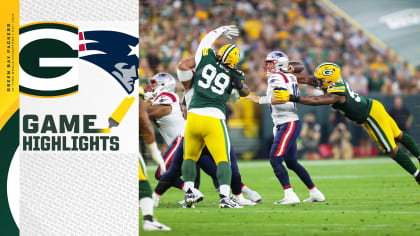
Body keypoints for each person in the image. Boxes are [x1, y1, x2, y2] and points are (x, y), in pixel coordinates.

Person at [274, 62, 420, 185]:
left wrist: (292, 97)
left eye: (321, 79)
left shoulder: (337, 92)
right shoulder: (332, 81)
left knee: (391, 149)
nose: (318, 81)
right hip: (373, 108)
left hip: (370, 115)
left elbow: (316, 100)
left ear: (330, 79)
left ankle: (417, 175)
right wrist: (284, 74)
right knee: (399, 135)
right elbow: (306, 78)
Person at [145, 72, 260, 207]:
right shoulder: (176, 96)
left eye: (154, 83)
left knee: (162, 172)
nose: (150, 86)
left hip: (183, 138)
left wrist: (144, 103)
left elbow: (150, 113)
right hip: (194, 134)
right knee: (211, 168)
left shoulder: (167, 96)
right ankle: (244, 192)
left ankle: (191, 192)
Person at [177, 25, 251, 208]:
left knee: (189, 157)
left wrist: (220, 30)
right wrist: (237, 85)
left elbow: (206, 41)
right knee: (222, 159)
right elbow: (237, 97)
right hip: (214, 118)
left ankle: (188, 194)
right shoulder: (235, 75)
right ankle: (225, 198)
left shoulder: (207, 57)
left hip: (193, 117)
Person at [247, 51, 325, 204]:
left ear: (278, 64)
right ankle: (315, 193)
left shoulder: (276, 77)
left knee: (275, 159)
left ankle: (290, 194)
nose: (267, 66)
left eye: (270, 63)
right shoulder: (290, 76)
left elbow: (282, 98)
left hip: (287, 123)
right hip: (288, 122)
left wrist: (260, 99)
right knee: (291, 162)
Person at [138, 87, 170, 231]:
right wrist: (154, 151)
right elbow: (143, 119)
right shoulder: (130, 88)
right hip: (115, 141)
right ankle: (148, 220)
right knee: (141, 179)